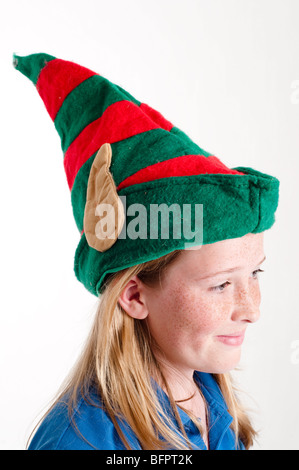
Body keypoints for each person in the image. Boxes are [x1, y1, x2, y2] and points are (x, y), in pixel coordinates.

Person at [13, 53, 280, 450]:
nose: (252, 310)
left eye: (254, 274)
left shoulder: (214, 402)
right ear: (135, 295)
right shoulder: (80, 439)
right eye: (221, 284)